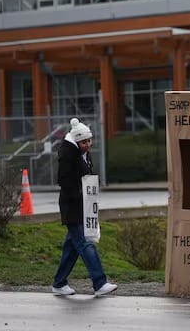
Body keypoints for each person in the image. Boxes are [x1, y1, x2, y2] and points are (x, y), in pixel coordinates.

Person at [52, 117, 118, 297]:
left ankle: (59, 283)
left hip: (83, 205)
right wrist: (80, 196)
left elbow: (87, 176)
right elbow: (64, 181)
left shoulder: (81, 152)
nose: (88, 145)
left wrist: (90, 198)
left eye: (89, 140)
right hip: (72, 206)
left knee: (72, 247)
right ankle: (100, 283)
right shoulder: (68, 154)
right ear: (76, 141)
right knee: (85, 242)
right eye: (84, 142)